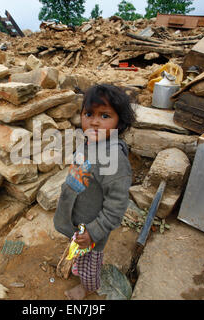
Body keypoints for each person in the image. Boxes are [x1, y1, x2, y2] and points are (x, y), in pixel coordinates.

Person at [54, 84, 135, 300]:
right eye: (88, 114)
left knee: (90, 263)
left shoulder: (115, 159)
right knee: (80, 253)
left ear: (120, 122)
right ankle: (79, 266)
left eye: (105, 115)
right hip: (78, 218)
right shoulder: (89, 142)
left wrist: (94, 231)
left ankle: (87, 287)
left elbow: (116, 205)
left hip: (91, 226)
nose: (94, 121)